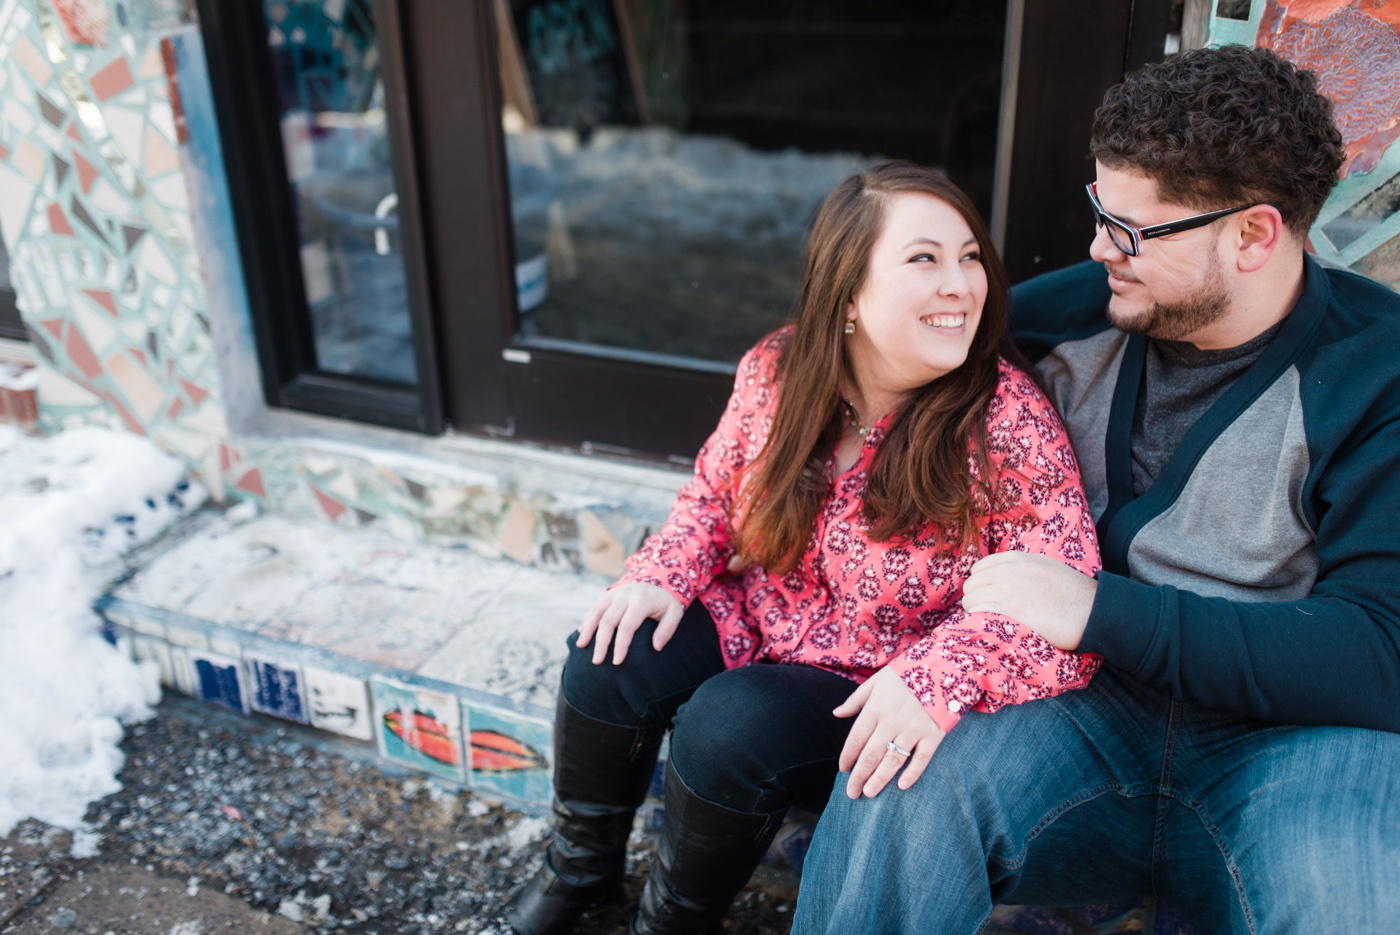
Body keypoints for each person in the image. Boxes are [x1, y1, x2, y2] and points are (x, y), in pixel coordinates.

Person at [791, 45, 1400, 935]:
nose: (1096, 247)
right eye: (1099, 211)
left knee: (1347, 904)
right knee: (896, 781)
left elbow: (1381, 656)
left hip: (1300, 744)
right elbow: (857, 355)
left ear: (1254, 234)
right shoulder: (1075, 314)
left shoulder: (1376, 372)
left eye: (1131, 230)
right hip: (1079, 711)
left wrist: (1097, 609)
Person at [505, 162, 1106, 935]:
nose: (962, 283)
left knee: (728, 725)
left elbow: (1059, 601)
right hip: (763, 618)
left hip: (877, 687)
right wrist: (662, 571)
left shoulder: (1005, 422)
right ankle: (579, 874)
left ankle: (669, 925)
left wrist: (937, 677)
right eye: (924, 259)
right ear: (849, 293)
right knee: (606, 654)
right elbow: (716, 493)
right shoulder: (781, 370)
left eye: (969, 257)